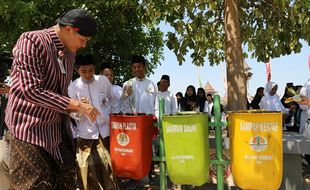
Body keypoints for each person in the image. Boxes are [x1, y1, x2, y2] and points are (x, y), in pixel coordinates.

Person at [5, 9, 100, 189]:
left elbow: (59, 92)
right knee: (33, 185)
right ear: (70, 29)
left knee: (67, 182)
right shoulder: (32, 41)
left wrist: (75, 107)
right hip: (29, 129)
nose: (84, 45)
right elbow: (30, 90)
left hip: (56, 130)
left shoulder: (70, 54)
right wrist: (74, 104)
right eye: (83, 40)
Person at [68, 54, 118, 189]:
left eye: (91, 70)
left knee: (108, 167)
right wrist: (80, 109)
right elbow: (72, 113)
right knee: (85, 169)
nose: (88, 74)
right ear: (77, 70)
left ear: (94, 68)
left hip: (104, 131)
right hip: (85, 133)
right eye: (84, 71)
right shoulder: (74, 86)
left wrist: (111, 115)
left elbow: (113, 99)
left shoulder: (103, 81)